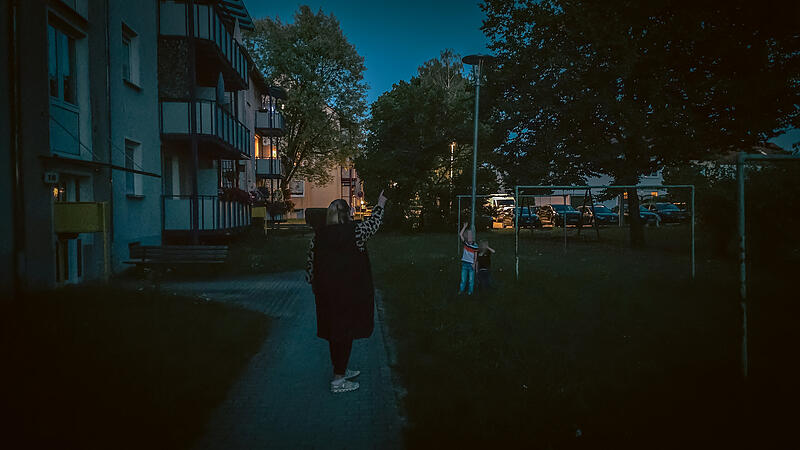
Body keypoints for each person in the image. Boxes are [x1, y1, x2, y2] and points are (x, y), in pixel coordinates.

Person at [305, 190, 387, 393]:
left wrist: (317, 286)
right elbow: (373, 224)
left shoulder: (319, 236)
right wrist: (381, 203)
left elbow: (310, 267)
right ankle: (338, 380)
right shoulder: (355, 232)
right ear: (346, 214)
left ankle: (340, 369)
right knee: (346, 333)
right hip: (349, 293)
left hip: (327, 296)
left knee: (335, 333)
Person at [458, 223, 479, 295]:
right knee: (463, 279)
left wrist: (474, 263)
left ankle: (470, 291)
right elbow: (460, 234)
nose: (470, 237)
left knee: (471, 280)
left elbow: (476, 256)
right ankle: (461, 290)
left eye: (471, 235)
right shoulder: (465, 243)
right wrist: (464, 227)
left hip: (471, 264)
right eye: (468, 235)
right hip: (464, 263)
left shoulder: (475, 246)